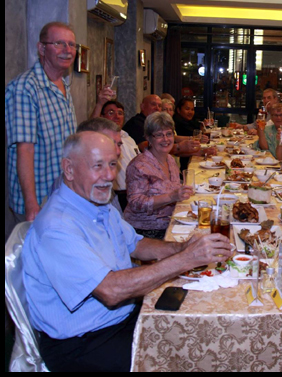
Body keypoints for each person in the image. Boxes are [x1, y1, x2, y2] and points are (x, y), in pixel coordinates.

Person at [22, 131, 232, 372]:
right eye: (98, 166)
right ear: (68, 169)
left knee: (198, 332)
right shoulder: (57, 227)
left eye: (112, 164)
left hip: (120, 318)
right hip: (83, 342)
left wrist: (181, 247)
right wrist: (184, 259)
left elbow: (137, 245)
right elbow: (110, 290)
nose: (109, 175)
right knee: (182, 357)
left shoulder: (96, 204)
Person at [5, 21, 77, 222]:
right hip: (39, 200)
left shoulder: (63, 85)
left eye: (72, 45)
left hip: (61, 195)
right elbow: (25, 150)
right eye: (59, 43)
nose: (67, 50)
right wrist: (31, 204)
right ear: (41, 48)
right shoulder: (25, 88)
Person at [124, 112, 193, 239]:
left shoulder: (170, 160)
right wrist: (171, 196)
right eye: (159, 135)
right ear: (149, 138)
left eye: (169, 134)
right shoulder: (139, 166)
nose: (166, 139)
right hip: (145, 231)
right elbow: (136, 203)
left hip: (171, 221)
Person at [172, 98, 216, 170]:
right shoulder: (177, 122)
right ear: (178, 110)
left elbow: (196, 129)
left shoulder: (188, 120)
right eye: (187, 109)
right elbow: (193, 135)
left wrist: (202, 125)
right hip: (183, 163)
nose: (190, 112)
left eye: (192, 109)